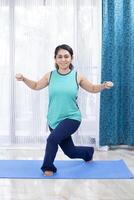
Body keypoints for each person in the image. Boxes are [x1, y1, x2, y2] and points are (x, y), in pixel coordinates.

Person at [15, 44, 113, 176]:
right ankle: (88, 152)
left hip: (72, 118)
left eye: (66, 56)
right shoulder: (50, 75)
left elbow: (93, 88)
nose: (63, 59)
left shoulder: (77, 76)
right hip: (53, 119)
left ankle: (48, 167)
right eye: (59, 57)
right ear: (55, 59)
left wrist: (103, 85)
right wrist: (24, 79)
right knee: (70, 152)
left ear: (71, 58)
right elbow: (36, 85)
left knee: (52, 140)